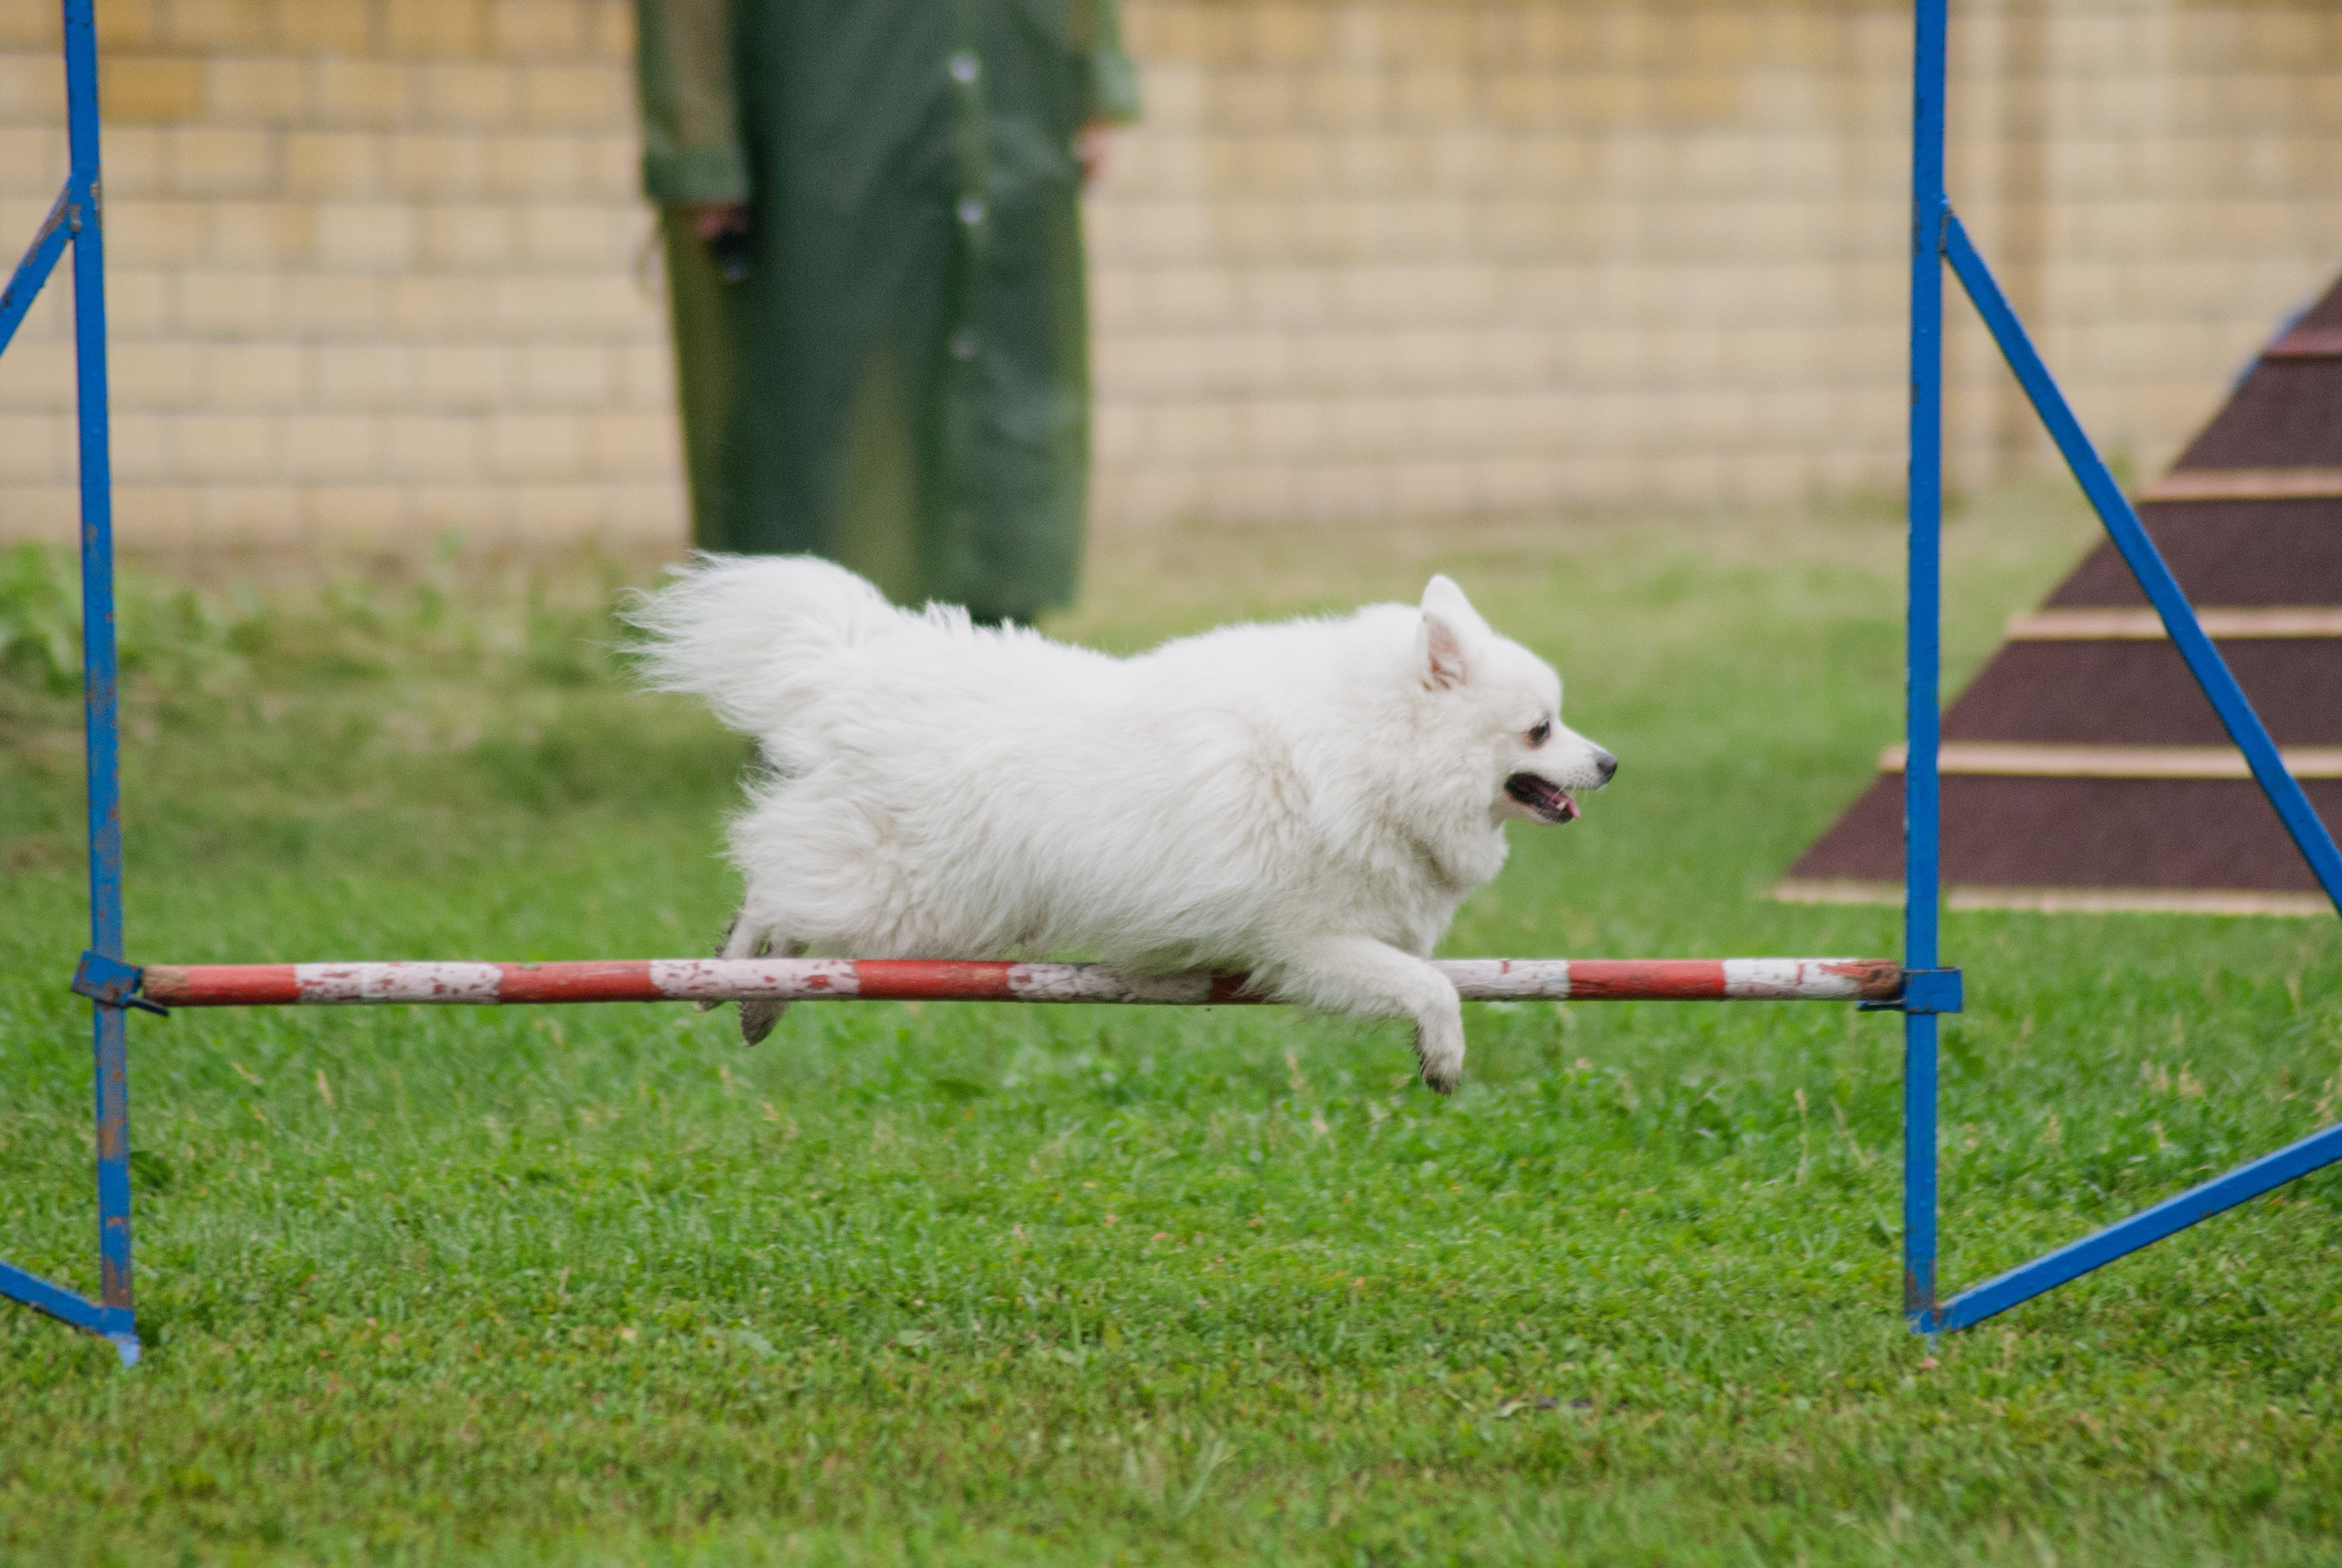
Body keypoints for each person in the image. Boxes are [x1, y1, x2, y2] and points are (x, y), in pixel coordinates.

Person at [634, 0, 1139, 626]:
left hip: (1010, 89)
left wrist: (1094, 73)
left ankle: (991, 659)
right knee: (813, 414)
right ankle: (812, 666)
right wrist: (696, 142)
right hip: (820, 110)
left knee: (1003, 388)